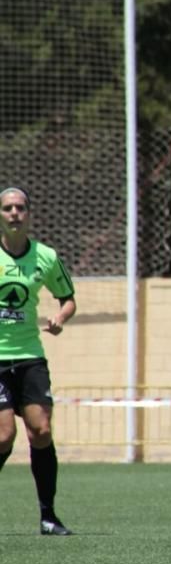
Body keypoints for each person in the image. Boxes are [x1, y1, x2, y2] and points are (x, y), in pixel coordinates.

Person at [0, 186, 77, 536]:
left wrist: (60, 318)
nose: (14, 213)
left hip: (30, 356)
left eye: (19, 207)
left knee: (41, 431)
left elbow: (68, 299)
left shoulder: (45, 256)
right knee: (3, 437)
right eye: (7, 208)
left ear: (28, 214)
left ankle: (48, 516)